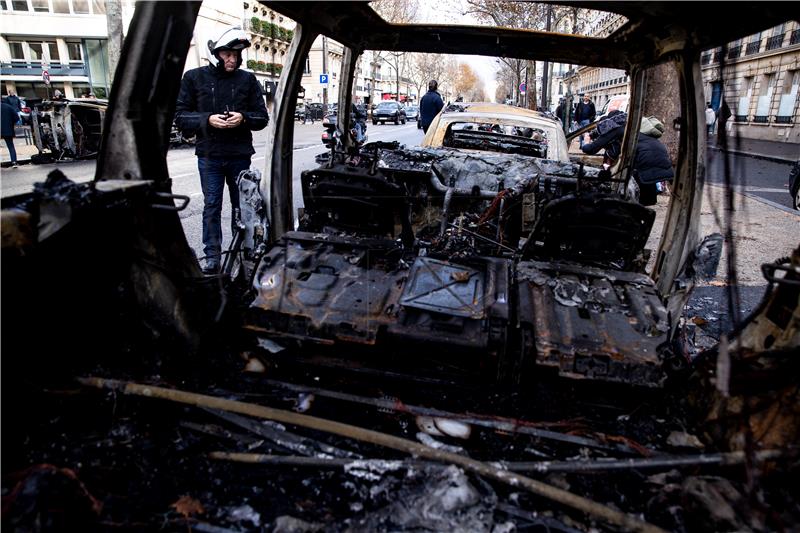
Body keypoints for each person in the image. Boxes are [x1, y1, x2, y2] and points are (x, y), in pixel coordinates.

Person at [175, 26, 269, 274]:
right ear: (216, 54)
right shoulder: (194, 78)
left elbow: (262, 117)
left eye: (236, 55)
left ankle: (245, 252)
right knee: (212, 205)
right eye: (228, 54)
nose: (233, 59)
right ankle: (213, 257)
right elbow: (181, 117)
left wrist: (243, 118)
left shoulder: (248, 80)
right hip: (210, 156)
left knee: (244, 207)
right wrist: (207, 120)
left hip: (239, 155)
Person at [581, 113, 673, 206]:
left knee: (635, 203)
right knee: (647, 201)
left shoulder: (616, 129)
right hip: (661, 158)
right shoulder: (634, 128)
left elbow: (590, 149)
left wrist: (586, 140)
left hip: (642, 162)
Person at [1, 99, 20, 168]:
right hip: (7, 129)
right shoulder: (8, 107)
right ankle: (14, 162)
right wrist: (11, 122)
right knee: (11, 146)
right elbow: (17, 118)